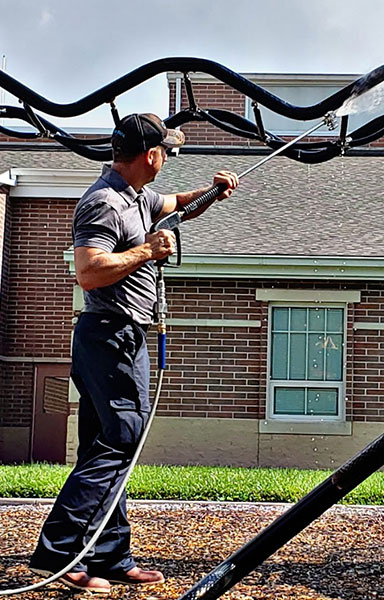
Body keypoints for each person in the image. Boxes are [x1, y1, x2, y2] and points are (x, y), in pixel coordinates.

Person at [29, 113, 239, 594]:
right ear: (151, 155)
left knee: (105, 444)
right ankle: (58, 553)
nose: (168, 157)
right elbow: (89, 271)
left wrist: (211, 193)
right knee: (123, 437)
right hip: (110, 335)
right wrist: (147, 251)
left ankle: (109, 555)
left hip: (121, 336)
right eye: (166, 150)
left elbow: (177, 205)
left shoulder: (137, 196)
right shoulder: (103, 203)